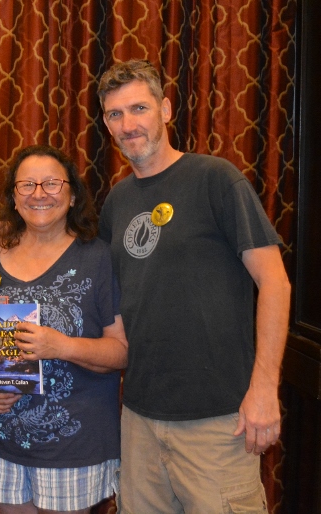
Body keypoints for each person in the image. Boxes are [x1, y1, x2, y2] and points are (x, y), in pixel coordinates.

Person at [97, 59, 291, 513]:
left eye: (139, 108)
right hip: (141, 418)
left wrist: (264, 389)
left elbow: (276, 283)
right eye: (115, 115)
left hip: (220, 421)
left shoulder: (216, 179)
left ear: (166, 109)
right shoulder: (117, 201)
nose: (128, 124)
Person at [0, 145, 128, 514]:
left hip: (73, 449)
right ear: (14, 198)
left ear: (73, 193)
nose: (39, 193)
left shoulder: (98, 258)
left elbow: (121, 351)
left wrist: (60, 346)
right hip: (2, 443)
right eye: (27, 184)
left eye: (51, 183)